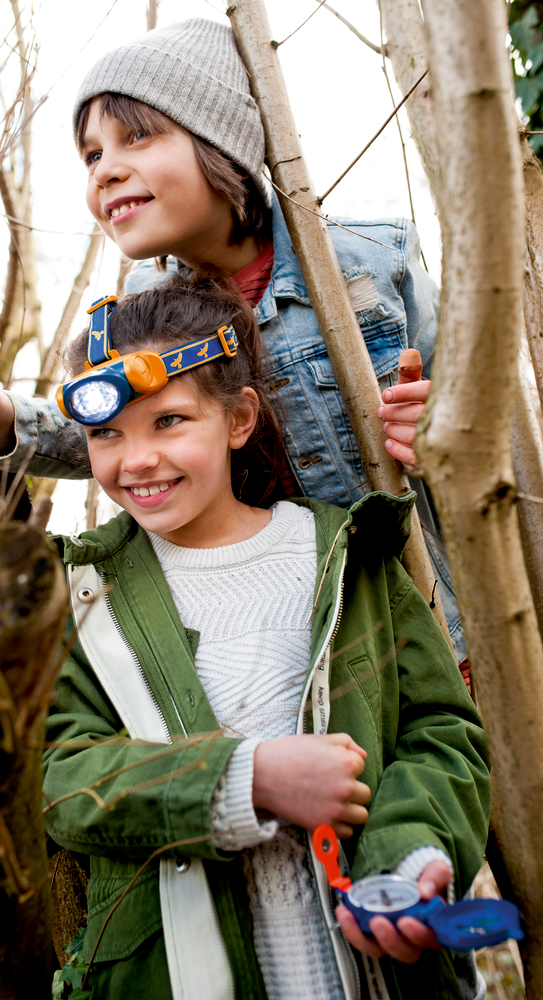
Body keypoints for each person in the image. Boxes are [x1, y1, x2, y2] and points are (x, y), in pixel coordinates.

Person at [0, 18, 466, 662]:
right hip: (268, 653)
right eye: (92, 155)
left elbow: (479, 426)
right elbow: (116, 431)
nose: (105, 171)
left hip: (424, 638)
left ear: (219, 140)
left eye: (137, 136)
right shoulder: (136, 315)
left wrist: (443, 430)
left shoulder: (367, 262)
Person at [41, 273, 490, 1000]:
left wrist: (409, 856)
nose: (135, 459)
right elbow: (60, 777)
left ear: (239, 419)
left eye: (169, 421)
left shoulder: (345, 553)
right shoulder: (85, 594)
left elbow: (440, 732)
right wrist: (245, 780)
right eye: (105, 434)